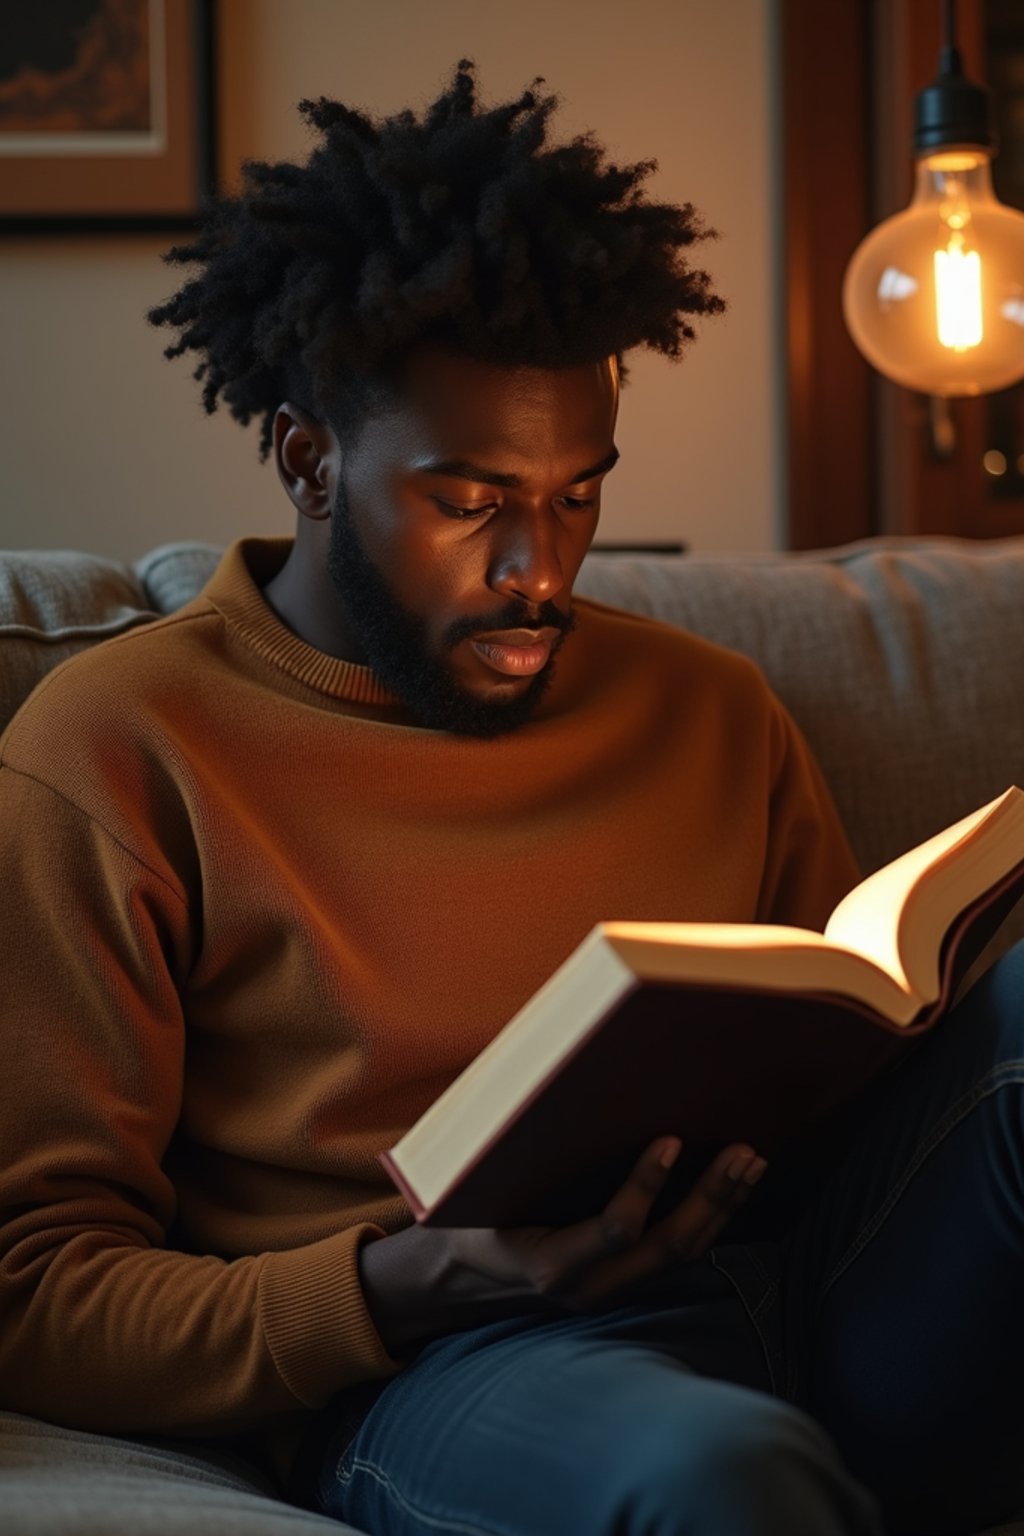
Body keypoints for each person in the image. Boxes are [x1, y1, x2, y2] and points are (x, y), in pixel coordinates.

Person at [1, 60, 1023, 1536]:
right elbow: (35, 1289)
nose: (535, 570)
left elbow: (850, 1078)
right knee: (719, 1483)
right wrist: (410, 1280)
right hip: (457, 1355)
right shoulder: (118, 747)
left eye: (576, 496)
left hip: (809, 1289)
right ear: (306, 457)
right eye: (469, 503)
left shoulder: (711, 711)